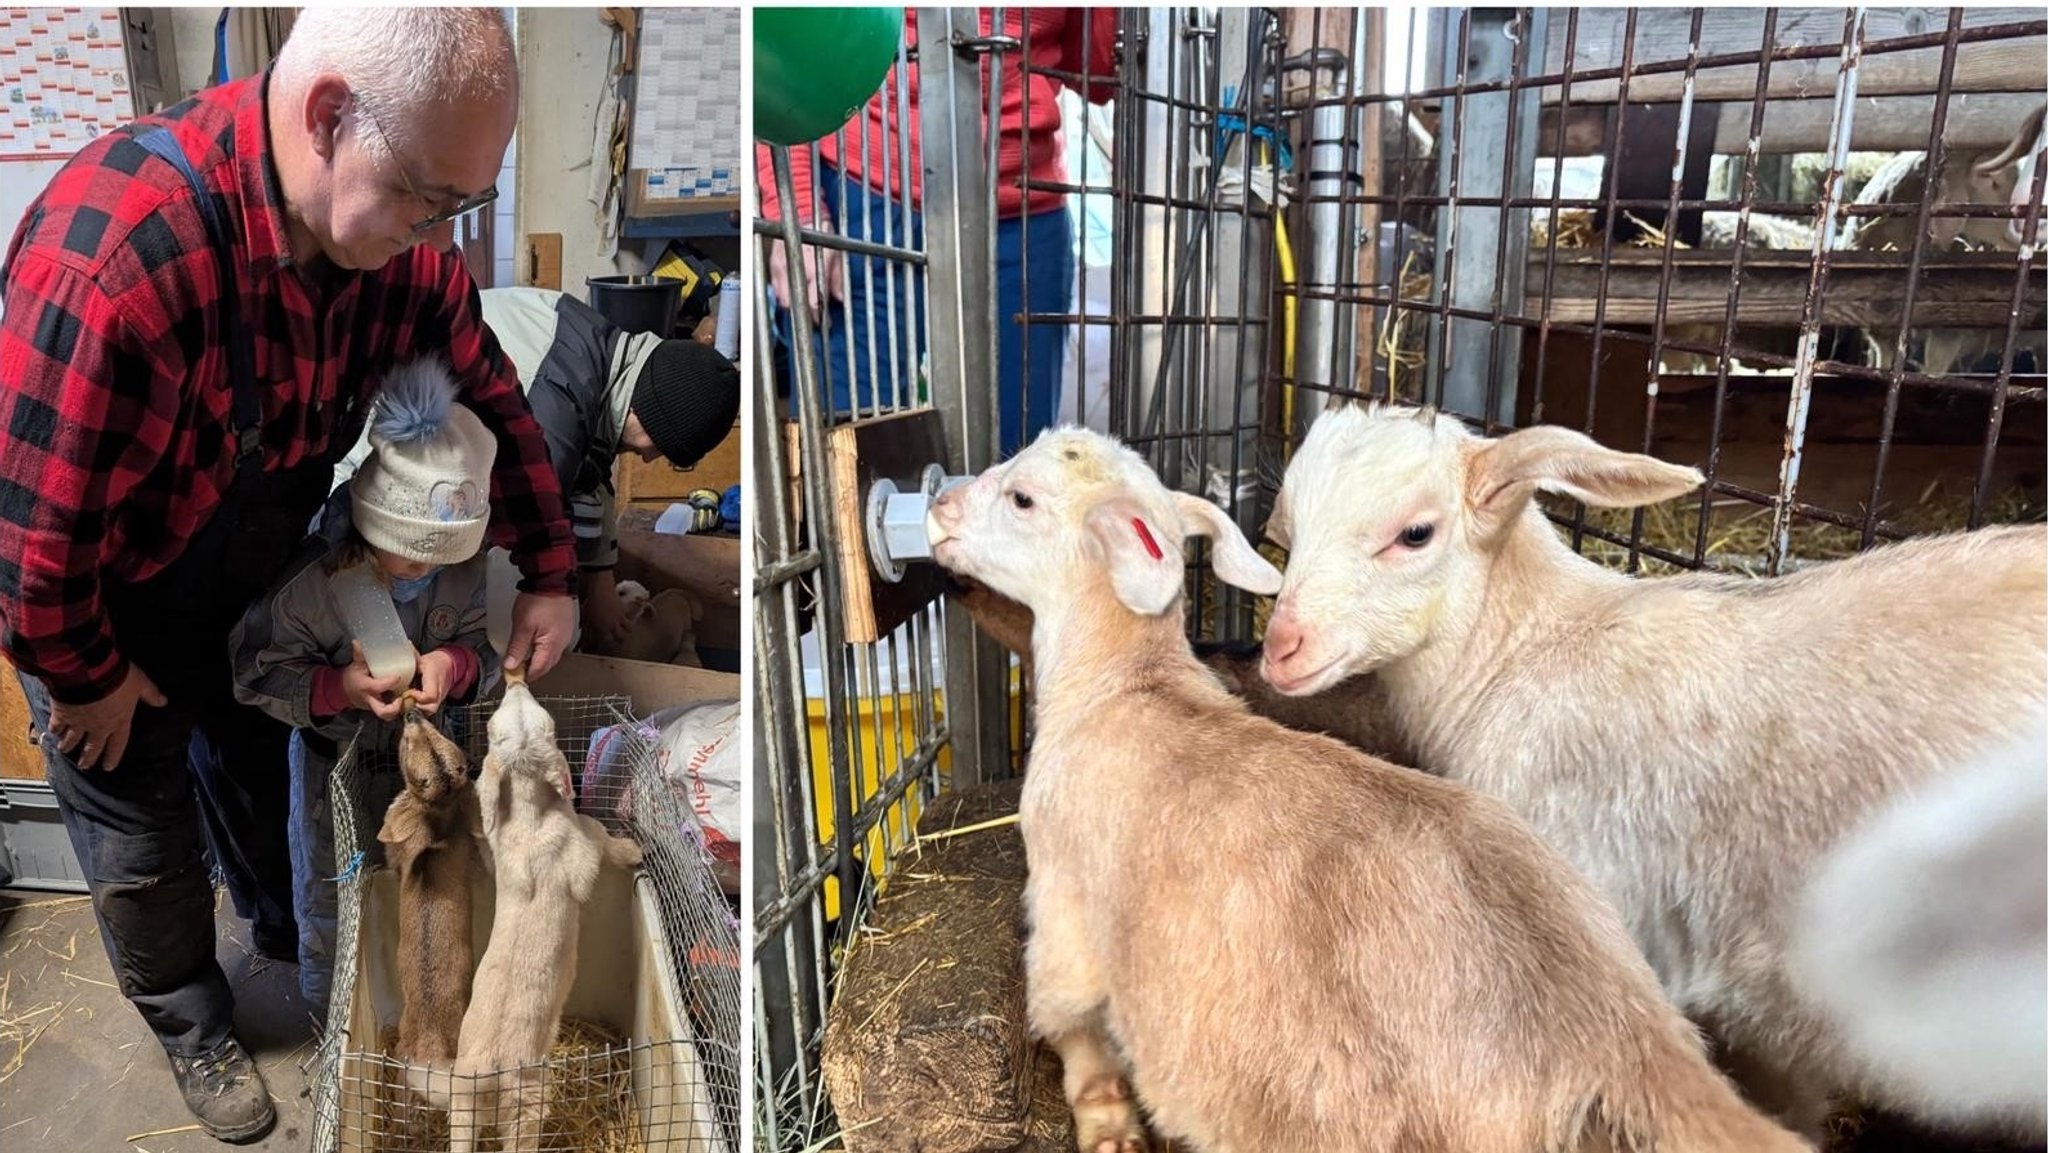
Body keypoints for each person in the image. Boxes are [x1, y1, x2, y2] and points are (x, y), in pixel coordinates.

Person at [0, 10, 576, 1143]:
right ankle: (188, 1020)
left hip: (249, 578)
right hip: (102, 613)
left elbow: (495, 404)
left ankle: (279, 937)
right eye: (428, 196)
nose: (438, 235)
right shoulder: (114, 259)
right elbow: (28, 546)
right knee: (142, 834)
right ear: (325, 119)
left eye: (459, 205)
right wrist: (82, 676)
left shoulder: (398, 254)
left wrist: (550, 570)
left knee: (262, 780)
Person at [234, 359, 501, 1020]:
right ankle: (340, 1030)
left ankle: (418, 1007)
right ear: (370, 522)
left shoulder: (462, 574)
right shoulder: (315, 584)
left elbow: (481, 653)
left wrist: (453, 666)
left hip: (432, 778)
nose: (426, 572)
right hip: (339, 775)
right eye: (412, 556)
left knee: (429, 888)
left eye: (444, 556)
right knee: (338, 895)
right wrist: (339, 686)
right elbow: (254, 673)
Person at [757, 8, 1119, 457]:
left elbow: (1100, 74)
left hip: (1024, 206)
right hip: (863, 186)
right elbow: (780, 44)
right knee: (861, 464)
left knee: (1017, 468)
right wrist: (800, 204)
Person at [333, 286, 742, 650]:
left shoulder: (599, 358)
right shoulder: (552, 402)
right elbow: (506, 520)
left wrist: (600, 575)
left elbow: (591, 470)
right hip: (377, 479)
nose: (651, 459)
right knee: (381, 613)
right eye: (659, 447)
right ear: (649, 412)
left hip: (430, 465)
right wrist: (547, 595)